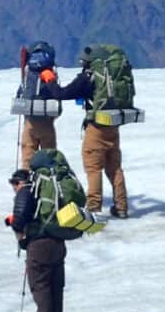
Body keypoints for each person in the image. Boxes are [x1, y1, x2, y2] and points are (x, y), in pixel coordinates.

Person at [49, 47, 130, 218]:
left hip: (96, 127)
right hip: (113, 125)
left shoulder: (88, 77)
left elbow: (62, 93)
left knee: (93, 168)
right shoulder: (112, 76)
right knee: (114, 167)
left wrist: (50, 80)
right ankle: (121, 207)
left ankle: (93, 208)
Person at [6, 166, 67, 312]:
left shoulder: (25, 192)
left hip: (39, 245)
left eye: (13, 185)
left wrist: (17, 230)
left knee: (40, 284)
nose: (14, 189)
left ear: (19, 183)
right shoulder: (48, 191)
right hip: (58, 242)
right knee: (56, 284)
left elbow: (19, 218)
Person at [14, 41, 61, 167]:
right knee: (49, 161)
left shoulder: (28, 74)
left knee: (27, 162)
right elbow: (58, 101)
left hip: (29, 124)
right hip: (47, 124)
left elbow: (20, 97)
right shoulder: (51, 74)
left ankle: (27, 185)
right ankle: (48, 185)